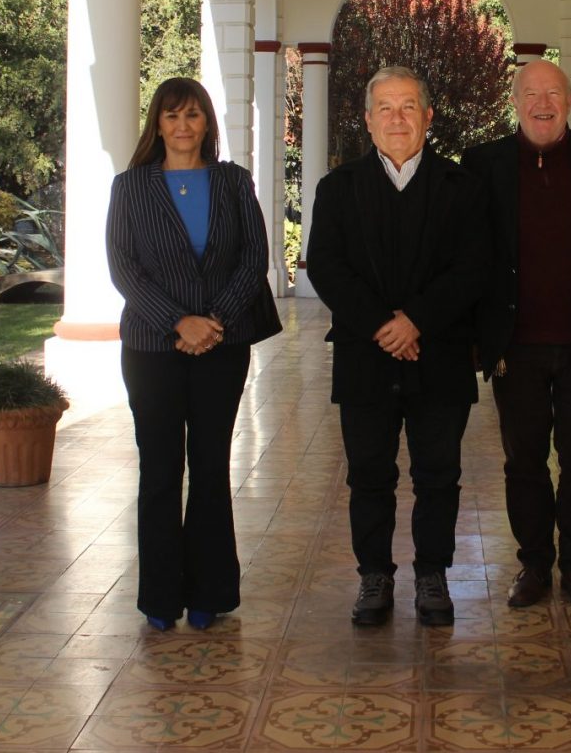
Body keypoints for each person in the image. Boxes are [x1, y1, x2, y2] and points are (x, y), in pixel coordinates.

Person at [306, 66, 488, 627]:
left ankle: (432, 573)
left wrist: (416, 322)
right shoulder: (337, 188)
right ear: (367, 120)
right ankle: (374, 577)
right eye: (385, 108)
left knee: (438, 474)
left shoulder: (462, 188)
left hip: (441, 357)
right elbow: (326, 268)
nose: (397, 118)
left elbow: (473, 267)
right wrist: (385, 326)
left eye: (408, 106)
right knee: (369, 475)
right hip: (366, 357)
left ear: (428, 116)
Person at [107, 77, 282, 632]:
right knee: (160, 469)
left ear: (208, 123)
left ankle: (209, 592)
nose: (183, 126)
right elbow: (124, 267)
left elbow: (254, 258)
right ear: (156, 123)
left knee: (209, 468)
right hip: (151, 347)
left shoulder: (233, 181)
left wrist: (215, 322)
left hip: (222, 347)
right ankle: (160, 597)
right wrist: (177, 322)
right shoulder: (130, 187)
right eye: (172, 115)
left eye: (193, 116)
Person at [462, 60, 571, 612]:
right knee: (523, 462)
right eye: (531, 93)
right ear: (514, 102)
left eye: (553, 92)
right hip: (517, 346)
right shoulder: (483, 164)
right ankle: (534, 563)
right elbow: (472, 255)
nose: (542, 102)